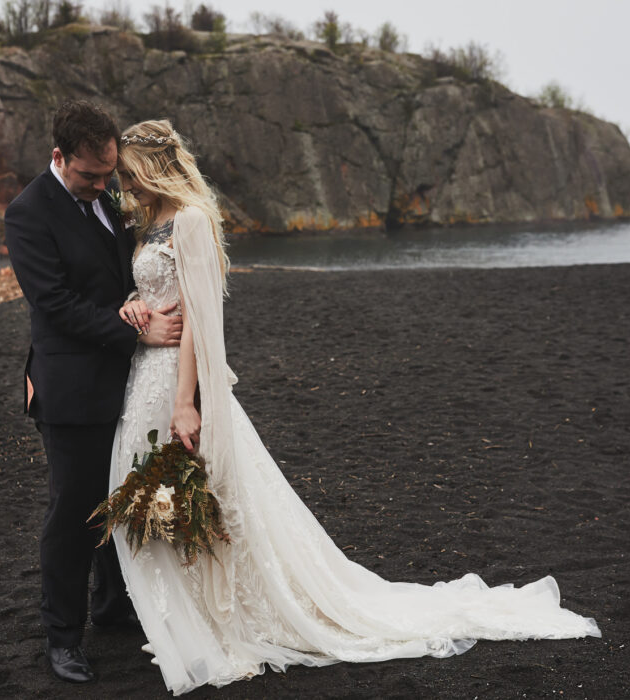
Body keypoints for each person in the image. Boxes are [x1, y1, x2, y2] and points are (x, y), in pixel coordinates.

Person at [108, 118, 603, 696]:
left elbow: (198, 318)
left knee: (206, 496)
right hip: (144, 375)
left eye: (128, 173)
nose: (124, 185)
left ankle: (227, 619)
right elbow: (158, 294)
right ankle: (190, 618)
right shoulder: (149, 225)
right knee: (162, 499)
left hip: (178, 382)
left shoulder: (190, 220)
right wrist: (133, 308)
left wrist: (187, 402)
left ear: (150, 166)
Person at [4, 100, 183, 685]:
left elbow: (117, 277)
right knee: (74, 512)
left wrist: (135, 306)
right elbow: (54, 304)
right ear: (59, 157)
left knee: (126, 493)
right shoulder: (28, 213)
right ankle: (62, 637)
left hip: (128, 381)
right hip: (70, 388)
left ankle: (112, 606)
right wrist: (138, 328)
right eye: (91, 175)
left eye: (111, 175)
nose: (106, 186)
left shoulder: (105, 199)